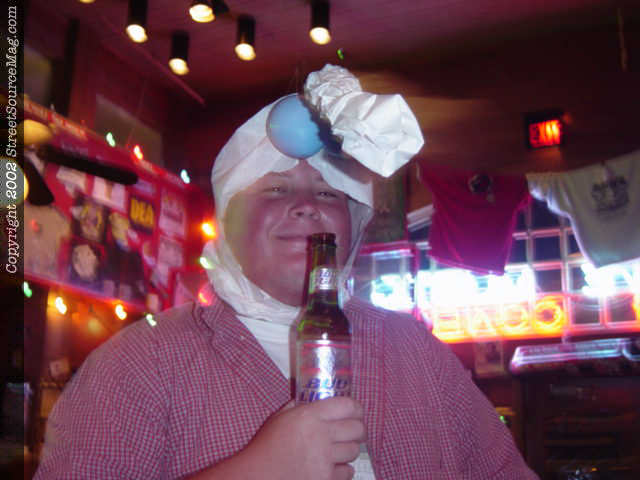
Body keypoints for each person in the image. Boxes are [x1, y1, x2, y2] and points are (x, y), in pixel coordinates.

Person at [35, 65, 538, 479]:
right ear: (227, 220)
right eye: (275, 189)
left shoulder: (417, 352)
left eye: (328, 193)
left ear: (355, 224)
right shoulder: (137, 365)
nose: (306, 206)